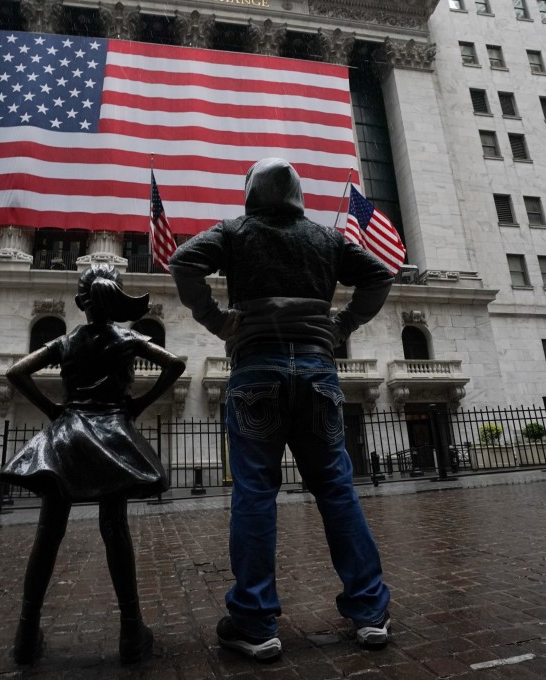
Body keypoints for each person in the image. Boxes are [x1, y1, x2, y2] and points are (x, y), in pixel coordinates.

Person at [168, 158, 394, 661]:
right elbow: (379, 275)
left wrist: (217, 321)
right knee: (336, 489)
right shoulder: (327, 239)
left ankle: (255, 622)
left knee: (254, 492)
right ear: (296, 193)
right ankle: (370, 612)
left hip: (257, 371)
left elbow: (183, 261)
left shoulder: (235, 231)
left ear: (252, 191)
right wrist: (343, 325)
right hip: (318, 372)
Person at [0, 264, 186, 665]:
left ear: (82, 302)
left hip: (67, 436)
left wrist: (54, 411)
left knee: (49, 532)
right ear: (114, 301)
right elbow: (174, 364)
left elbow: (16, 372)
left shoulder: (65, 342)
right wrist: (138, 405)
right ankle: (131, 631)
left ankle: (25, 634)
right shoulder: (127, 337)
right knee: (115, 528)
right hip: (112, 434)